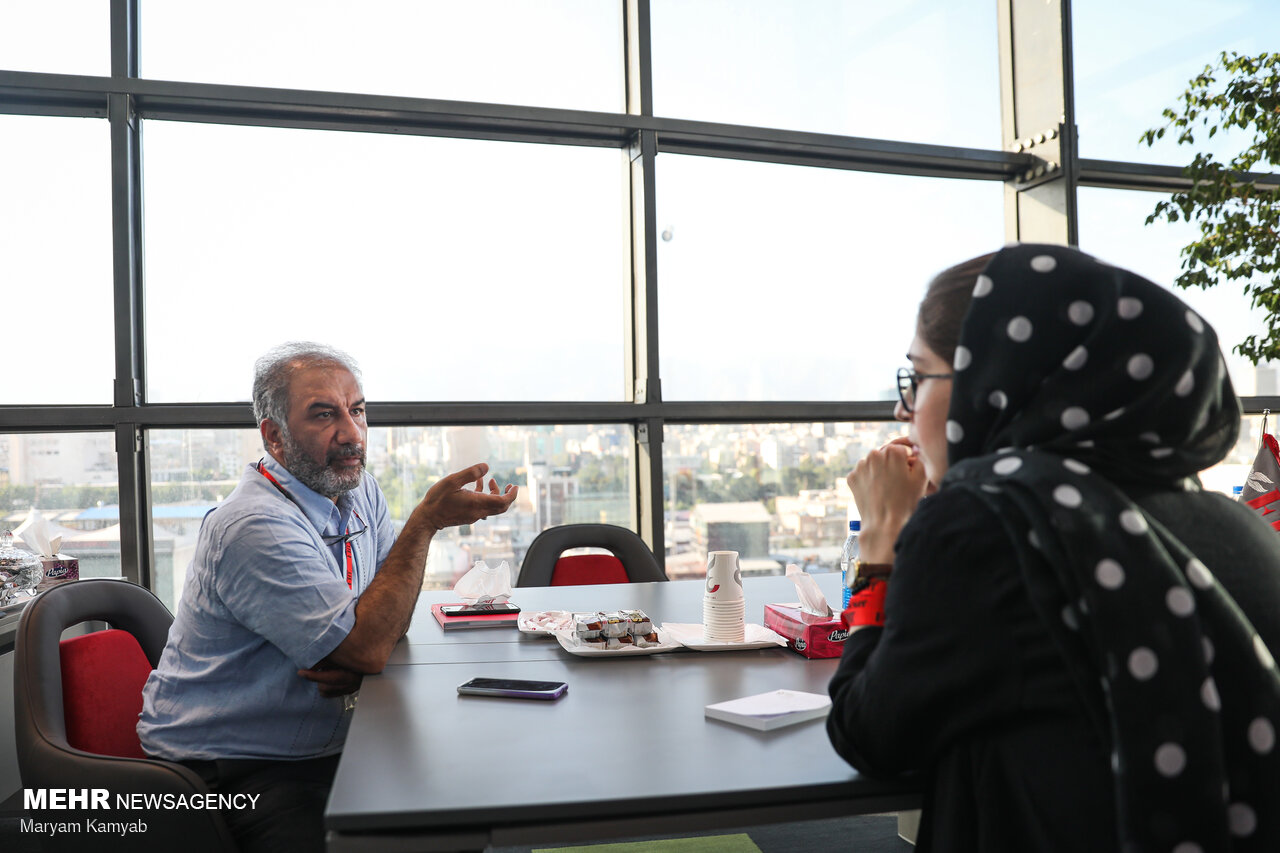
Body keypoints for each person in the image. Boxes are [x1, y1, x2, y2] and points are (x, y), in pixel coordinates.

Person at [827, 245, 1280, 852]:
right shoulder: (1235, 526)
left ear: (990, 382)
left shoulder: (989, 529)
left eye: (919, 377)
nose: (902, 408)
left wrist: (882, 538)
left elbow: (868, 734)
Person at [138, 342, 518, 852]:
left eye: (357, 411)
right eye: (324, 415)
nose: (351, 433)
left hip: (326, 743)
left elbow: (387, 619)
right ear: (274, 435)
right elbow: (370, 643)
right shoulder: (254, 525)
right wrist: (424, 524)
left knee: (484, 810)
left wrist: (360, 655)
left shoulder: (359, 493)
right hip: (229, 769)